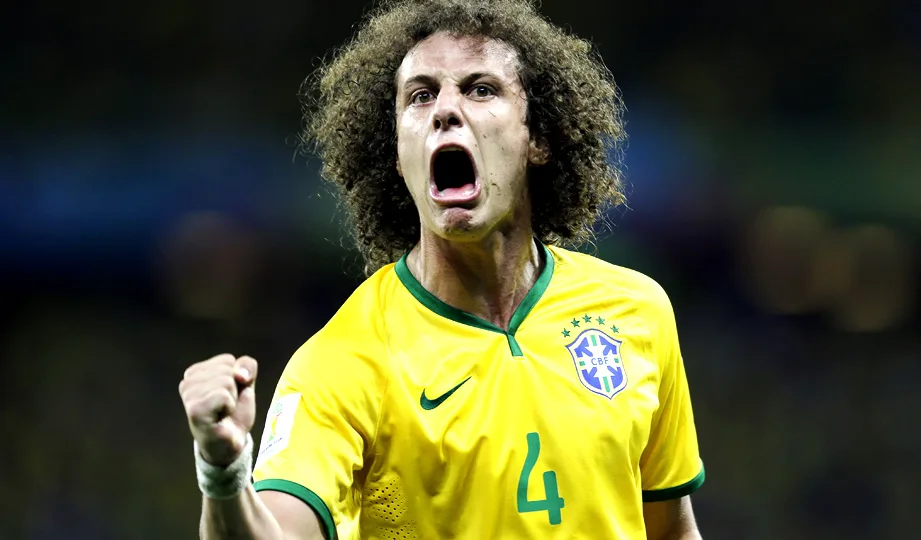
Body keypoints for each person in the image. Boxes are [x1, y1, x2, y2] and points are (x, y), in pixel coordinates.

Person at [178, 0, 705, 538]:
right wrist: (223, 474)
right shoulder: (345, 361)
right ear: (398, 152)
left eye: (481, 89)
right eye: (421, 96)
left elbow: (671, 530)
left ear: (538, 139)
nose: (445, 110)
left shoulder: (637, 311)